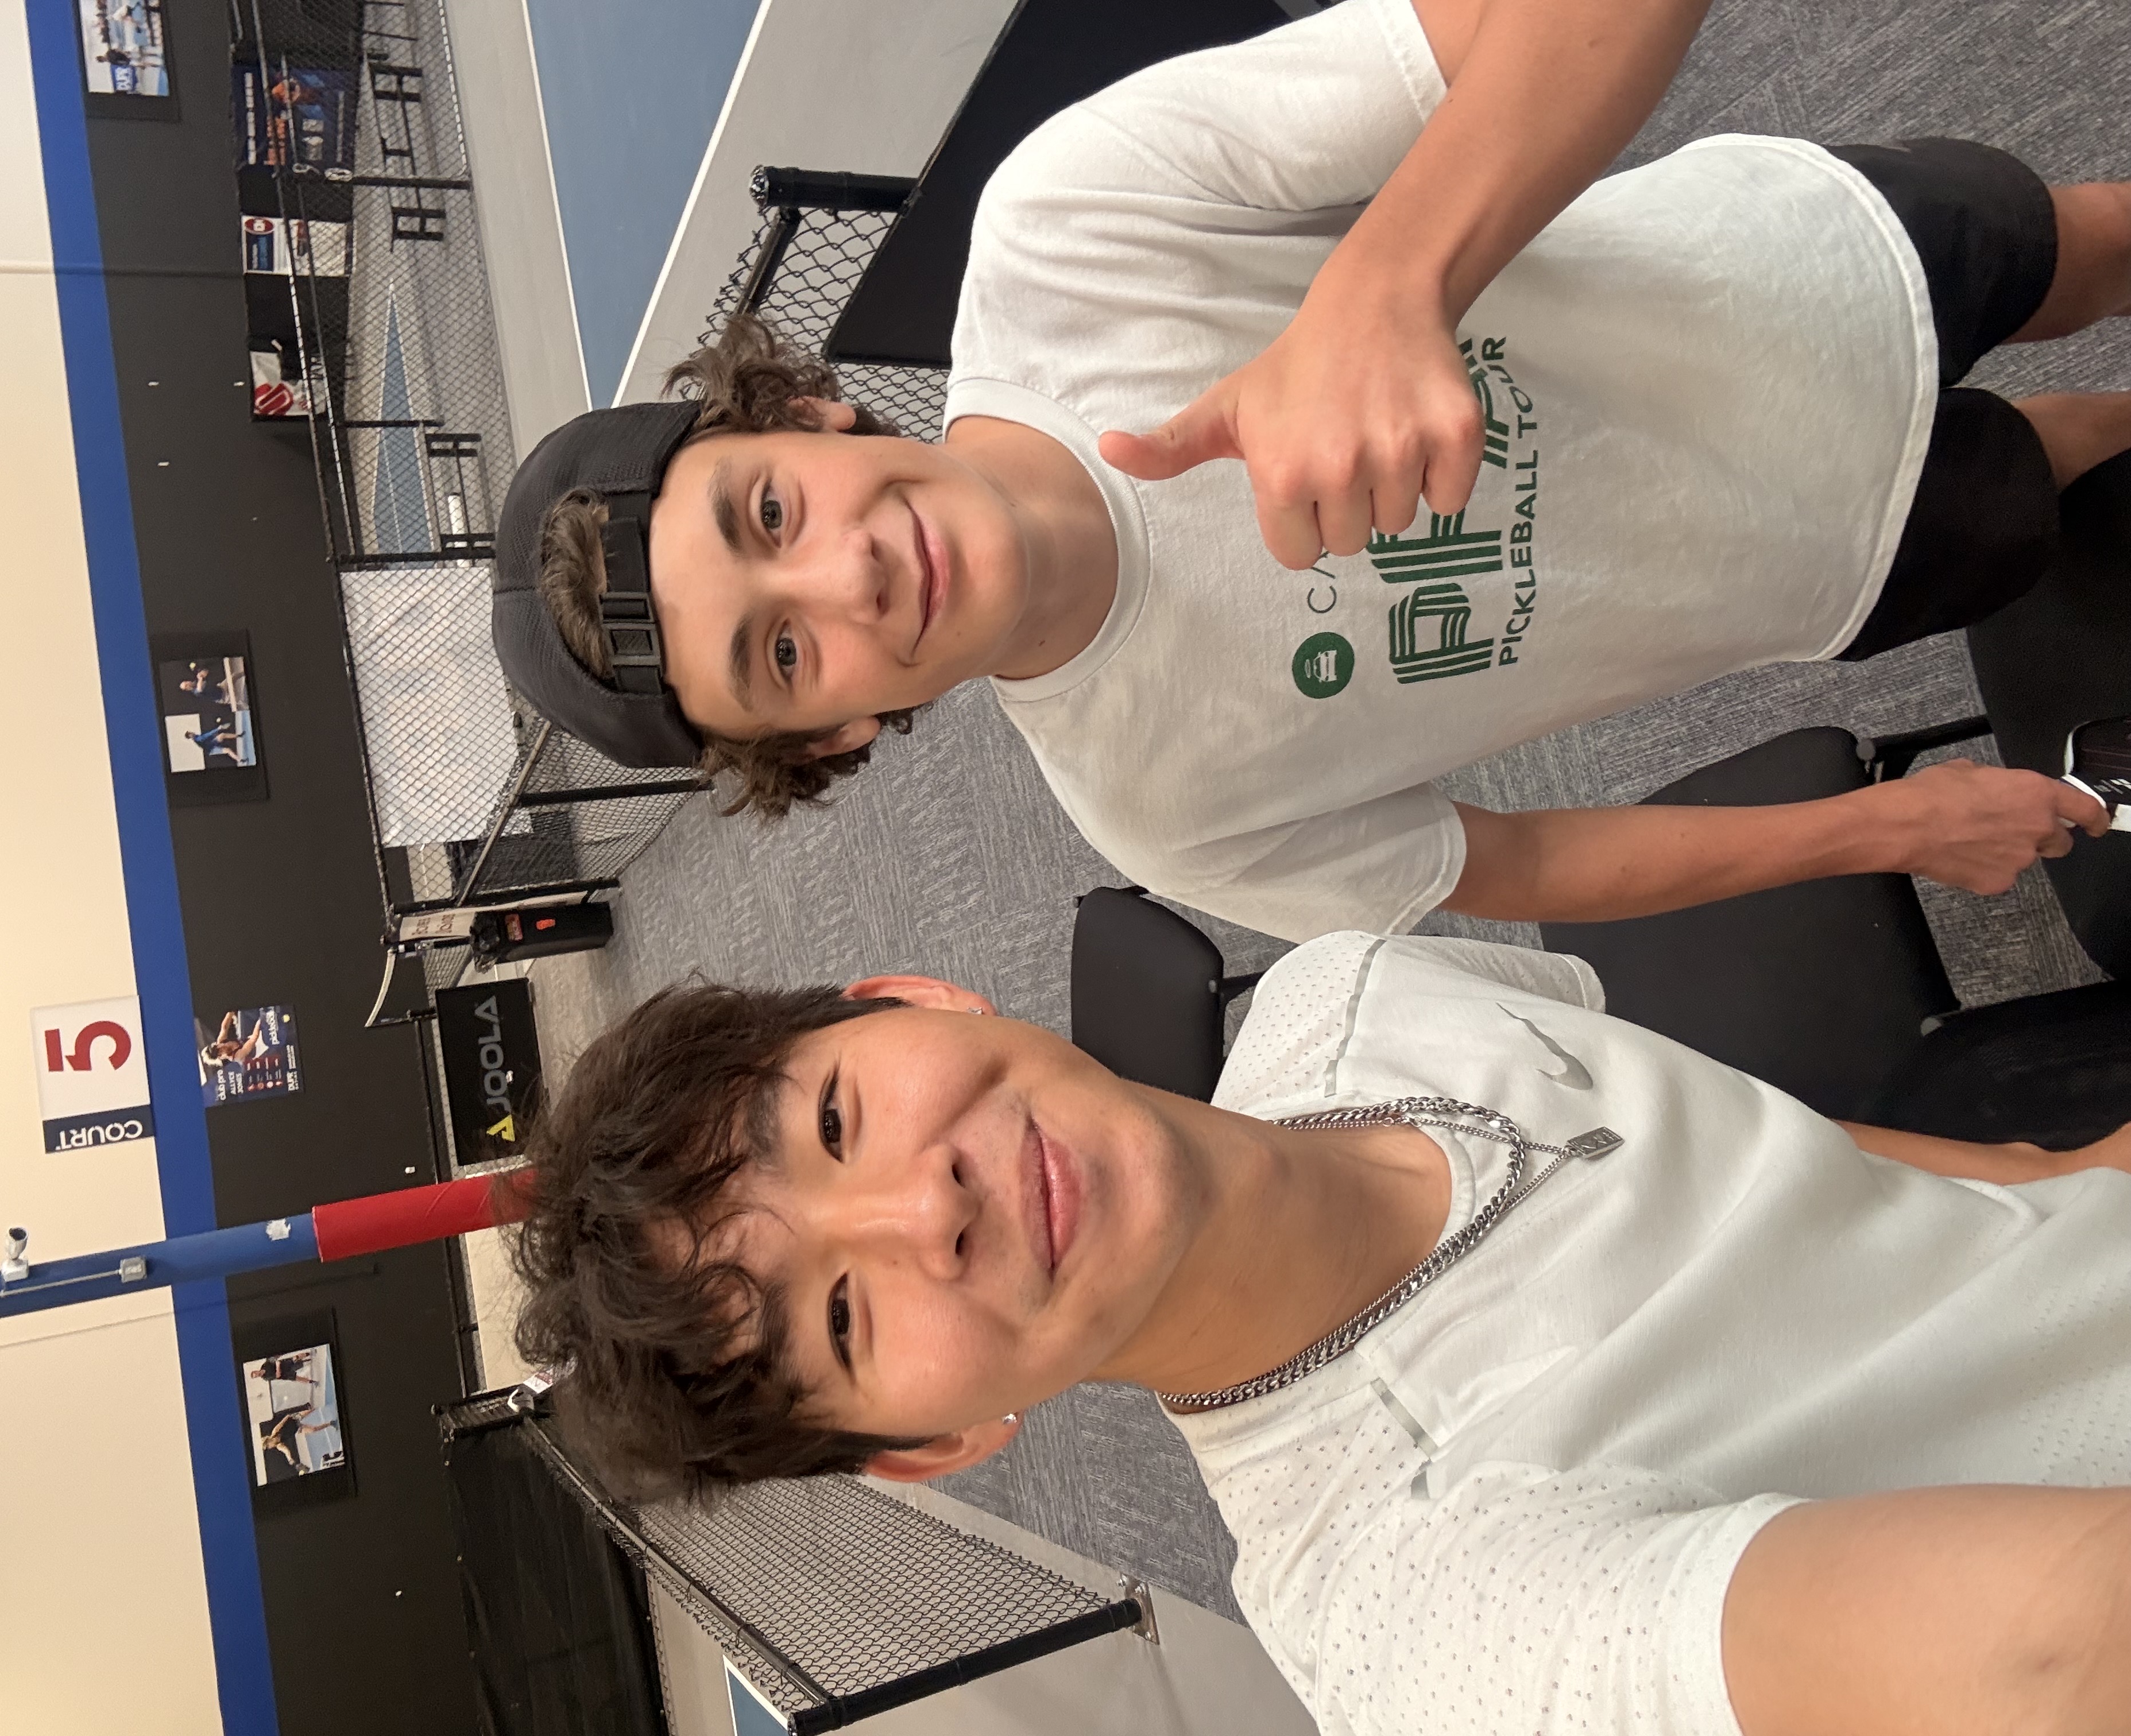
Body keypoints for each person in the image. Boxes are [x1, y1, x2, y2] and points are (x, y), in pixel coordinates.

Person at [492, 0, 2130, 942]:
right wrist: (1874, 832)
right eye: (780, 654)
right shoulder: (1163, 815)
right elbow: (1519, 865)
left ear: (808, 416)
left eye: (765, 514)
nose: (840, 577)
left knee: (2087, 251)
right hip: (1818, 565)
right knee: (2046, 470)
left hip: (1801, 268)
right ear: (834, 731)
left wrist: (1392, 279)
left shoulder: (1068, 227)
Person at [508, 937, 2131, 1734]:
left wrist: (2070, 1174)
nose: (923, 1212)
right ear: (942, 1445)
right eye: (847, 1317)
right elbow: (2056, 1650)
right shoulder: (1417, 1613)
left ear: (917, 1003)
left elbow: (1830, 1171)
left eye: (841, 1117)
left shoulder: (1346, 991)